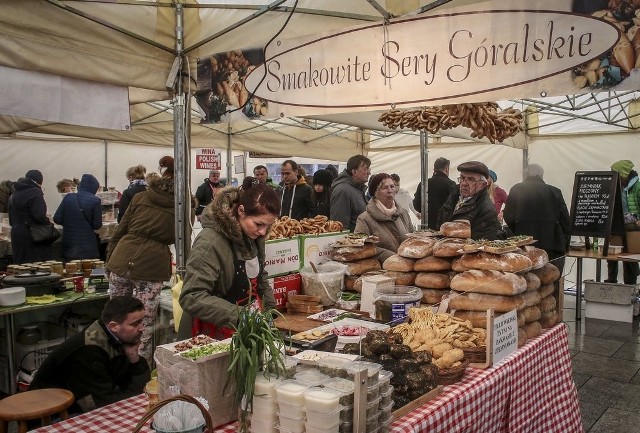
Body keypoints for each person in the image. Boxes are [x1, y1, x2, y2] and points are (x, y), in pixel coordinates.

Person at [178, 177, 281, 340]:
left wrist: (269, 311)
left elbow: (260, 279)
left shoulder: (254, 238)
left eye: (268, 226)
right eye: (258, 224)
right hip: (213, 330)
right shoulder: (210, 242)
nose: (263, 232)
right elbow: (192, 296)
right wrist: (241, 316)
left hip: (245, 326)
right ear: (241, 211)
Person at [29, 296, 150, 414]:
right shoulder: (88, 352)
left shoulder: (116, 337)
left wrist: (134, 358)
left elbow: (142, 387)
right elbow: (106, 405)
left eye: (142, 322)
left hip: (85, 404)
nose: (142, 328)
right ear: (114, 326)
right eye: (135, 324)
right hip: (50, 414)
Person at [106, 172, 176, 364]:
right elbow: (181, 238)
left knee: (115, 318)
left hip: (122, 257)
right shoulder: (181, 205)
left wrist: (109, 259)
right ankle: (139, 368)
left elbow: (121, 228)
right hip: (152, 265)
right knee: (142, 325)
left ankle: (112, 362)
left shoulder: (140, 197)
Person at [503, 163, 571, 274]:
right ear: (541, 175)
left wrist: (519, 230)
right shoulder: (554, 191)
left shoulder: (516, 189)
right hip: (552, 245)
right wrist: (565, 243)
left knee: (529, 282)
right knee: (551, 280)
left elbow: (508, 216)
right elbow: (566, 221)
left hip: (525, 246)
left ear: (525, 175)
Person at [355, 173, 413, 263]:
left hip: (407, 267)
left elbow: (412, 237)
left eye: (392, 186)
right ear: (375, 192)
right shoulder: (364, 219)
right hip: (381, 271)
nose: (390, 190)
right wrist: (391, 257)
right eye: (385, 188)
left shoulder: (403, 213)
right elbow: (362, 247)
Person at [438, 161, 503, 240]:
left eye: (471, 179)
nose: (464, 183)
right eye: (462, 178)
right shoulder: (453, 195)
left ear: (482, 185)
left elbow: (478, 244)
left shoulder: (487, 210)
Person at [8, 170, 54, 263]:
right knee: (35, 267)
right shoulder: (35, 192)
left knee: (21, 266)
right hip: (31, 236)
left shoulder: (14, 194)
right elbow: (39, 215)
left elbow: (11, 221)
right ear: (39, 181)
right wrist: (48, 222)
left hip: (16, 234)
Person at [605, 160, 640, 284]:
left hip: (633, 228)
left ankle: (630, 285)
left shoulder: (637, 187)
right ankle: (611, 280)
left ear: (623, 174)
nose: (613, 176)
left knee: (630, 256)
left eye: (615, 173)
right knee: (612, 255)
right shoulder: (615, 186)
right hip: (617, 226)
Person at [54, 174, 103, 261]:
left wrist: (70, 223)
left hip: (69, 244)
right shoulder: (95, 201)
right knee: (87, 270)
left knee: (70, 270)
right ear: (94, 187)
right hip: (87, 245)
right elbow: (97, 225)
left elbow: (57, 219)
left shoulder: (68, 197)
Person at [330, 155, 371, 231]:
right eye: (365, 169)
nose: (369, 172)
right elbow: (339, 226)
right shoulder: (343, 191)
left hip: (360, 240)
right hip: (352, 241)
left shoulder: (358, 189)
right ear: (354, 171)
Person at [413, 157, 456, 230]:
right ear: (446, 168)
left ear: (434, 169)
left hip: (427, 227)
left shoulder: (423, 184)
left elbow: (416, 204)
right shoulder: (451, 184)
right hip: (445, 227)